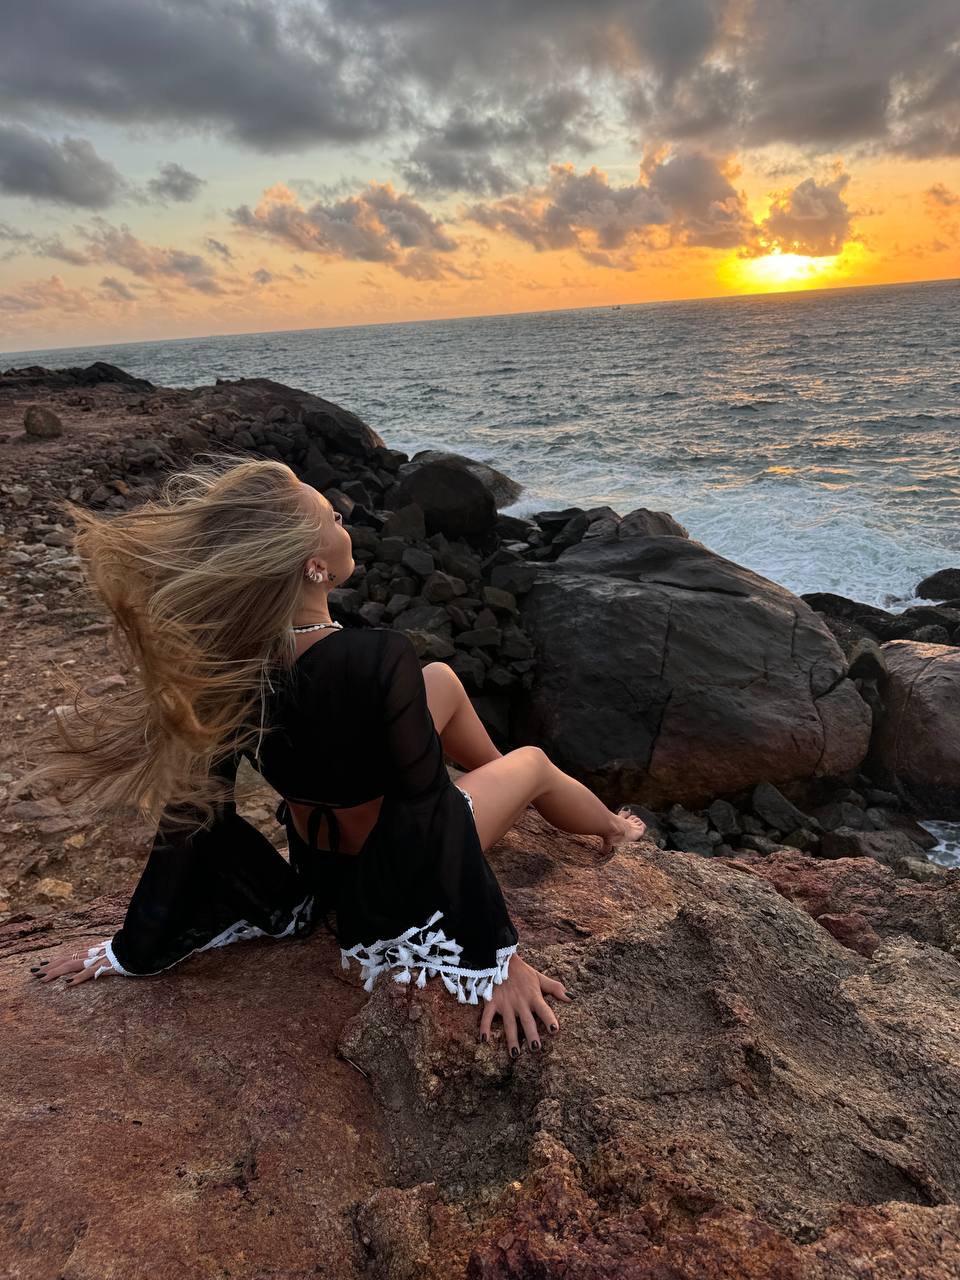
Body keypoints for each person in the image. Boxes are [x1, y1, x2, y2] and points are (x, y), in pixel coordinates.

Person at [25, 454, 646, 1056]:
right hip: (391, 879)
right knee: (533, 760)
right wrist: (493, 958)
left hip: (318, 868)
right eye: (334, 517)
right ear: (315, 566)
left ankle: (490, 776)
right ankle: (615, 829)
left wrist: (133, 945)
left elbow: (195, 812)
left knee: (440, 680)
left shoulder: (235, 664)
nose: (347, 522)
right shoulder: (376, 657)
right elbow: (428, 808)